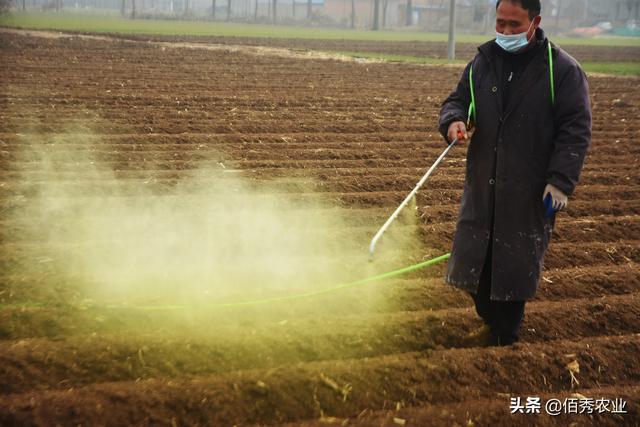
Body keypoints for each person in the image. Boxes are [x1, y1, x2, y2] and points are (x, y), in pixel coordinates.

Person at [438, 0, 592, 346]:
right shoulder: (483, 62)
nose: (505, 31)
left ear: (534, 21)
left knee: (511, 269)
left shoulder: (561, 70)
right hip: (484, 184)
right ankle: (492, 324)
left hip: (528, 190)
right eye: (500, 23)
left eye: (514, 24)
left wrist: (560, 183)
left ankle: (503, 338)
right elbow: (457, 100)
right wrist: (454, 121)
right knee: (476, 267)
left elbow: (575, 130)